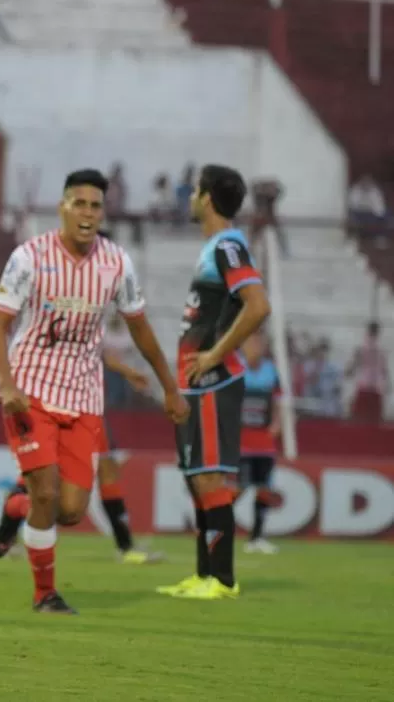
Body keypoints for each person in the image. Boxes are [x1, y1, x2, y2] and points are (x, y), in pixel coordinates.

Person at [0, 170, 188, 614]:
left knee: (71, 509)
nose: (87, 213)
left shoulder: (117, 263)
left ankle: (13, 511)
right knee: (46, 491)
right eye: (79, 203)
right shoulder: (30, 257)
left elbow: (141, 329)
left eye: (96, 206)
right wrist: (8, 383)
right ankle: (46, 594)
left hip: (83, 397)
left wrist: (169, 387)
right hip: (31, 390)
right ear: (62, 206)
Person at [156, 164, 271, 601]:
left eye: (195, 191)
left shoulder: (228, 245)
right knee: (196, 478)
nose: (190, 198)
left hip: (213, 381)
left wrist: (213, 356)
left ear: (205, 198)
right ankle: (204, 574)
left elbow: (258, 306)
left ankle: (222, 580)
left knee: (210, 481)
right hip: (197, 383)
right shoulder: (216, 247)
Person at [0, 349, 166, 564]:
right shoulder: (49, 327)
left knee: (106, 468)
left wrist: (127, 372)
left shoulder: (87, 325)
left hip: (89, 406)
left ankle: (125, 545)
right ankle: (11, 517)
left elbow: (98, 351)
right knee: (43, 473)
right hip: (57, 403)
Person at [238, 331, 281, 554]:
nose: (255, 346)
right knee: (237, 487)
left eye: (259, 342)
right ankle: (215, 527)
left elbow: (277, 400)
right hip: (240, 439)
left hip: (263, 440)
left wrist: (276, 423)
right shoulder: (236, 368)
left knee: (264, 486)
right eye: (251, 342)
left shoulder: (271, 371)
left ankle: (256, 537)